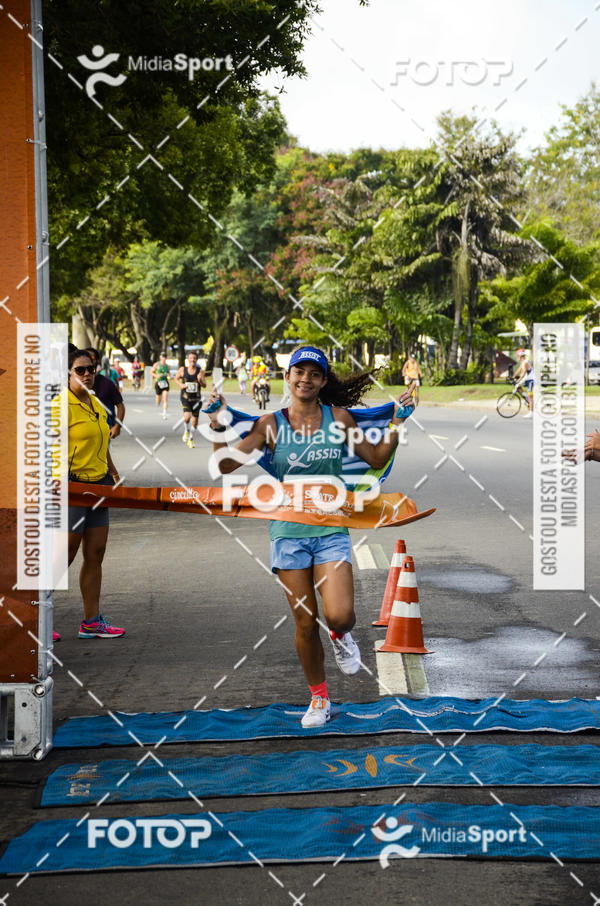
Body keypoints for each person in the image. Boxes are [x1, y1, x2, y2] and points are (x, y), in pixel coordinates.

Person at [206, 345, 416, 728]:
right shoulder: (270, 424)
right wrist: (218, 428)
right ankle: (319, 698)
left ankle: (340, 635)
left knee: (341, 615)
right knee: (305, 624)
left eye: (314, 374)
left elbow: (375, 458)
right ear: (288, 377)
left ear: (321, 382)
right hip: (288, 534)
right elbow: (226, 465)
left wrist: (397, 423)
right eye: (299, 372)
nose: (305, 379)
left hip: (330, 529)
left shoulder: (339, 418)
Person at [52, 348, 125, 639]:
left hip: (99, 486)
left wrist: (114, 474)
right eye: (79, 370)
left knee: (95, 554)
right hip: (71, 488)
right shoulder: (60, 406)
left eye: (90, 369)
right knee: (63, 556)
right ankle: (37, 622)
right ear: (68, 373)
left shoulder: (95, 402)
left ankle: (91, 622)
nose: (86, 374)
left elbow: (102, 443)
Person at [86, 348, 125, 439]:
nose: (88, 360)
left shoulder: (108, 383)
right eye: (85, 356)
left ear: (97, 361)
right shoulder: (74, 384)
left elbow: (120, 406)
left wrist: (117, 426)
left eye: (91, 357)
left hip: (104, 430)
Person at [175, 350, 206, 448]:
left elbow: (204, 385)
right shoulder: (182, 370)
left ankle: (191, 439)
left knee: (195, 422)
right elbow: (175, 378)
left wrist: (200, 380)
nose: (193, 360)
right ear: (188, 359)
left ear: (197, 359)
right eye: (191, 358)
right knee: (187, 417)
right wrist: (181, 385)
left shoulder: (200, 371)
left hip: (196, 399)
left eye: (194, 358)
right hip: (186, 398)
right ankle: (186, 431)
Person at [513, 350, 534, 417]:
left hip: (531, 380)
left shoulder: (525, 363)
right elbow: (518, 370)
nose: (518, 358)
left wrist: (518, 380)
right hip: (527, 380)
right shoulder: (523, 362)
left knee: (530, 396)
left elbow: (524, 373)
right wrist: (513, 376)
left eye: (518, 357)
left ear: (521, 357)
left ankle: (531, 412)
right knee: (518, 387)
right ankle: (527, 398)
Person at [152, 352, 171, 419]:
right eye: (163, 356)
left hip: (165, 383)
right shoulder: (157, 364)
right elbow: (151, 372)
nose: (164, 358)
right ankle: (158, 402)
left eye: (165, 356)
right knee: (158, 400)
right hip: (158, 383)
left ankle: (164, 413)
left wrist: (169, 376)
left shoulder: (167, 366)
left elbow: (169, 374)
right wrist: (156, 375)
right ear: (160, 357)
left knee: (165, 398)